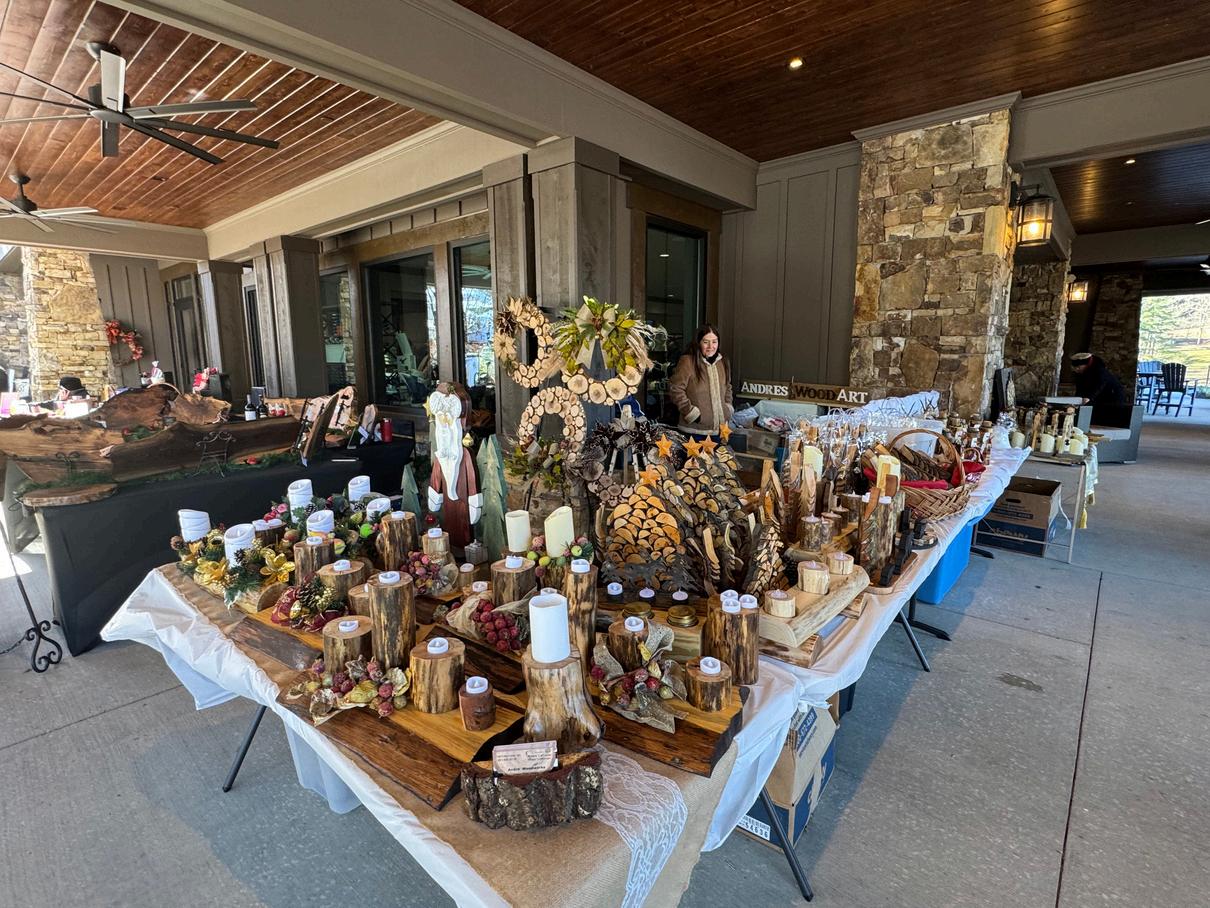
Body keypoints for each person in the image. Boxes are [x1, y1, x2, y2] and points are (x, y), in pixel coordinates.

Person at [668, 324, 733, 438]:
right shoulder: (687, 361)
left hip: (721, 430)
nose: (711, 346)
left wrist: (728, 407)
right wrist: (690, 412)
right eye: (706, 342)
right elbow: (675, 389)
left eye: (714, 342)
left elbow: (727, 387)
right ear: (698, 343)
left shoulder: (723, 362)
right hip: (695, 432)